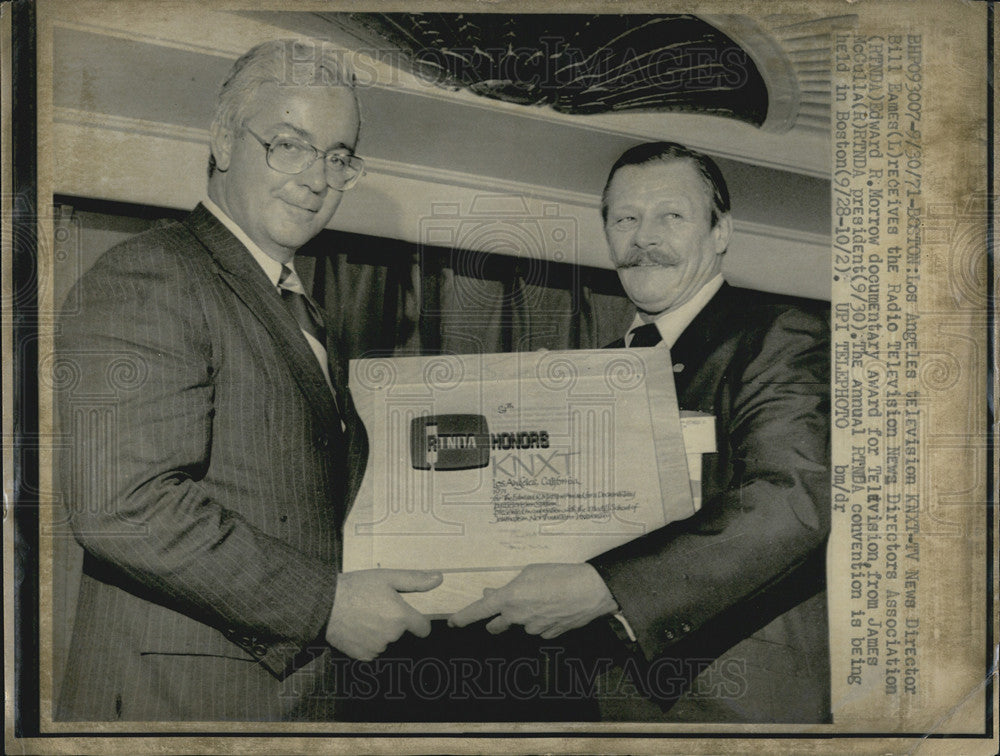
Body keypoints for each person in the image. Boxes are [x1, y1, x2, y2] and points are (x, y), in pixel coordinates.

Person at [55, 38, 442, 722]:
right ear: (225, 141)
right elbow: (124, 504)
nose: (318, 178)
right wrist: (325, 604)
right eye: (290, 145)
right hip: (176, 706)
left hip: (288, 700)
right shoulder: (152, 275)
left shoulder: (304, 314)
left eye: (338, 156)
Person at [451, 142, 831, 723]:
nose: (644, 237)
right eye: (626, 219)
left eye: (671, 216)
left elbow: (792, 500)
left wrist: (608, 589)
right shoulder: (588, 372)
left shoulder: (776, 334)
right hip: (592, 694)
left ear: (720, 230)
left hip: (734, 695)